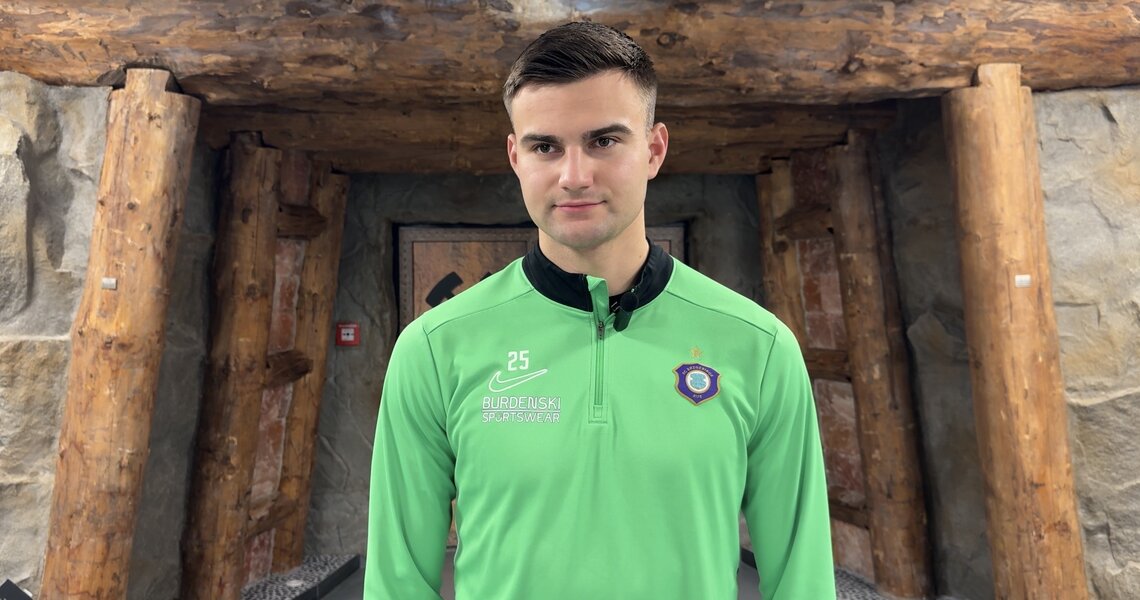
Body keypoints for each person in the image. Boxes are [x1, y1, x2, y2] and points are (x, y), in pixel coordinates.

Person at [366, 21, 835, 599]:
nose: (574, 176)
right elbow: (397, 584)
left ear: (654, 149)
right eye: (545, 147)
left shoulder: (759, 348)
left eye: (604, 141)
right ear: (516, 157)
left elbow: (803, 581)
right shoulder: (434, 349)